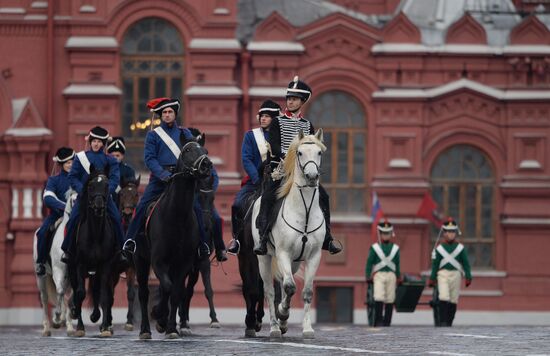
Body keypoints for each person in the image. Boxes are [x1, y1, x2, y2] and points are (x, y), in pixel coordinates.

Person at [253, 76, 342, 255]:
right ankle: (263, 238)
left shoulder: (307, 125)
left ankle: (327, 238)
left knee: (323, 196)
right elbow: (275, 145)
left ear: (302, 101)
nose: (290, 101)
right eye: (289, 98)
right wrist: (290, 156)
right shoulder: (277, 121)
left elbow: (311, 147)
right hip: (282, 170)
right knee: (268, 197)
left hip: (302, 172)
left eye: (294, 99)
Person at [122, 97, 211, 258]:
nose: (167, 115)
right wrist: (163, 175)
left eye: (170, 112)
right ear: (160, 116)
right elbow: (150, 159)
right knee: (142, 206)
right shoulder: (153, 135)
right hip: (160, 179)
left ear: (175, 114)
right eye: (164, 112)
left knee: (196, 207)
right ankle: (130, 241)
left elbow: (192, 153)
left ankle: (202, 245)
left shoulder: (185, 133)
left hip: (182, 179)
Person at [60, 126, 126, 263]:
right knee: (73, 219)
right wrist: (82, 190)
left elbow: (114, 178)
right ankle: (68, 250)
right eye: (94, 141)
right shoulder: (80, 157)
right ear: (90, 142)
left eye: (99, 141)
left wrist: (107, 190)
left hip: (104, 197)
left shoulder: (110, 160)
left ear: (103, 144)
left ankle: (121, 251)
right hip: (84, 197)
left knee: (116, 219)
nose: (96, 144)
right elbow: (72, 177)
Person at [227, 99, 280, 254]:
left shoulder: (281, 137)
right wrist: (256, 179)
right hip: (255, 181)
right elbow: (246, 159)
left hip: (277, 181)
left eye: (267, 116)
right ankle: (236, 240)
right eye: (262, 115)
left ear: (274, 119)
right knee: (237, 205)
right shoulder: (251, 136)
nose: (263, 118)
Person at [188, 127, 228, 262]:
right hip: (188, 199)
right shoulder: (185, 160)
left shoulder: (206, 162)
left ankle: (220, 248)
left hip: (204, 200)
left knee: (216, 219)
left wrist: (209, 191)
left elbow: (214, 178)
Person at [35, 147, 75, 275]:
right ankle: (41, 263)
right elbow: (48, 198)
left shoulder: (78, 179)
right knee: (42, 233)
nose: (70, 165)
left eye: (72, 162)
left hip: (76, 215)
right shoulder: (54, 180)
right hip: (57, 216)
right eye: (67, 163)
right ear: (61, 164)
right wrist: (65, 207)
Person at [428, 217, 472, 327]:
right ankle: (442, 321)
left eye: (453, 232)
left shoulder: (460, 248)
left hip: (456, 274)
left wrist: (468, 276)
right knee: (443, 296)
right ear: (444, 233)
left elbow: (466, 263)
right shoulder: (439, 249)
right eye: (448, 232)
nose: (451, 234)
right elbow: (435, 265)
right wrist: (432, 278)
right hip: (443, 274)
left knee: (453, 299)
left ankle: (449, 322)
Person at [365, 220, 401, 327]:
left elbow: (397, 264)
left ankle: (387, 321)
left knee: (390, 298)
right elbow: (369, 262)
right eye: (384, 233)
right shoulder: (375, 248)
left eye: (388, 233)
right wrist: (368, 275)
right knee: (379, 297)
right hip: (379, 275)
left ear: (391, 234)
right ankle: (378, 320)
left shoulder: (395, 248)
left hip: (391, 275)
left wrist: (398, 276)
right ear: (380, 234)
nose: (386, 235)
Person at [107, 136, 137, 205]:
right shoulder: (104, 169)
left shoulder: (129, 170)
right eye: (112, 155)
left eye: (117, 156)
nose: (115, 158)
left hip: (123, 204)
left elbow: (130, 191)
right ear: (108, 155)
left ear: (122, 156)